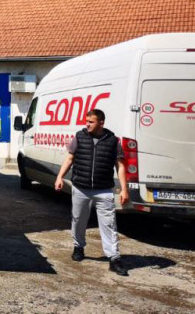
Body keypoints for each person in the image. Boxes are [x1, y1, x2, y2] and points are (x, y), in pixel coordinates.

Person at [54, 108, 129, 276]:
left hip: (104, 190)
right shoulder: (80, 137)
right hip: (81, 187)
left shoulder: (112, 140)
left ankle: (114, 258)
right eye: (86, 121)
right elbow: (70, 158)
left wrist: (124, 189)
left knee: (109, 224)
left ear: (101, 123)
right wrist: (60, 177)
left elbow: (120, 166)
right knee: (79, 220)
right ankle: (78, 247)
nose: (87, 124)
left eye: (91, 121)